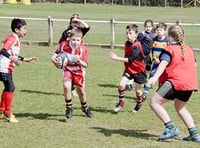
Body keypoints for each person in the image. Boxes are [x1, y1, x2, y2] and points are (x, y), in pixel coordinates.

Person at [146, 25, 200, 142]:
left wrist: (154, 78)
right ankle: (194, 134)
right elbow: (194, 65)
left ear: (169, 36)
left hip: (174, 82)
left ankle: (171, 128)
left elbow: (163, 64)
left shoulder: (169, 49)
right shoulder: (189, 49)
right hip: (189, 85)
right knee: (180, 107)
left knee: (154, 102)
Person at [0, 18, 38, 123]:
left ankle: (2, 110)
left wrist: (26, 59)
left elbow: (14, 54)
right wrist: (11, 58)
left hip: (5, 68)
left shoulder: (15, 38)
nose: (26, 31)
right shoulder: (12, 39)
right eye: (24, 28)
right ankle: (7, 113)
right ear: (17, 30)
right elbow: (3, 51)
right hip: (3, 68)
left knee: (8, 87)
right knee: (10, 87)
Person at [51, 28, 94, 119]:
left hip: (79, 71)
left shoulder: (83, 49)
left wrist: (78, 61)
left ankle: (85, 108)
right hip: (67, 69)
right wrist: (56, 63)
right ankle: (69, 108)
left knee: (81, 91)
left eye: (78, 40)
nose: (75, 42)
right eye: (73, 40)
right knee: (67, 86)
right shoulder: (63, 45)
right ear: (69, 38)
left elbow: (85, 65)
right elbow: (54, 56)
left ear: (81, 40)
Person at [109, 24, 146, 113]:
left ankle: (139, 103)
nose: (128, 35)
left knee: (138, 91)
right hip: (129, 69)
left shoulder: (137, 45)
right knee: (121, 85)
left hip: (139, 71)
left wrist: (116, 58)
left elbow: (130, 60)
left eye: (130, 33)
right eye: (127, 33)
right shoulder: (127, 43)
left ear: (136, 34)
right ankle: (120, 103)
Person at [59, 13, 90, 96]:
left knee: (79, 72)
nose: (75, 23)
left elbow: (87, 26)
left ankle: (78, 88)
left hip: (78, 54)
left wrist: (79, 21)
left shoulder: (80, 31)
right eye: (73, 21)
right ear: (70, 22)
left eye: (77, 22)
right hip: (68, 55)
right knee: (69, 71)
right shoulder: (66, 32)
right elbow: (61, 43)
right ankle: (71, 89)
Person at [126, 19, 155, 91]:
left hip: (147, 56)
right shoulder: (142, 34)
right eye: (146, 26)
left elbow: (151, 46)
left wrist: (153, 54)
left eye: (149, 26)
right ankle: (130, 83)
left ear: (152, 27)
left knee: (148, 69)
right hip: (141, 56)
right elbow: (137, 43)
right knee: (140, 71)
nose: (148, 28)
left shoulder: (153, 35)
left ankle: (146, 83)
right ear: (144, 26)